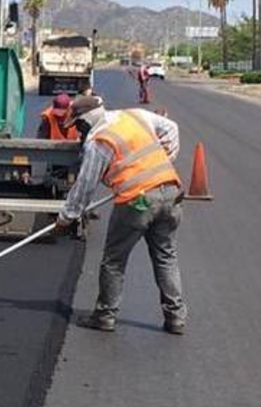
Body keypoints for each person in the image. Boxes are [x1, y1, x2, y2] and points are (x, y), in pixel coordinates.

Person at [56, 95, 186, 335]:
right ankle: (176, 317)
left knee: (114, 261)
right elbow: (171, 127)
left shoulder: (99, 140)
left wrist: (67, 216)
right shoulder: (134, 116)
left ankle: (105, 316)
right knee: (166, 257)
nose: (78, 131)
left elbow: (85, 185)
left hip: (137, 202)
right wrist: (167, 159)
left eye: (78, 125)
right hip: (170, 191)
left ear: (87, 118)